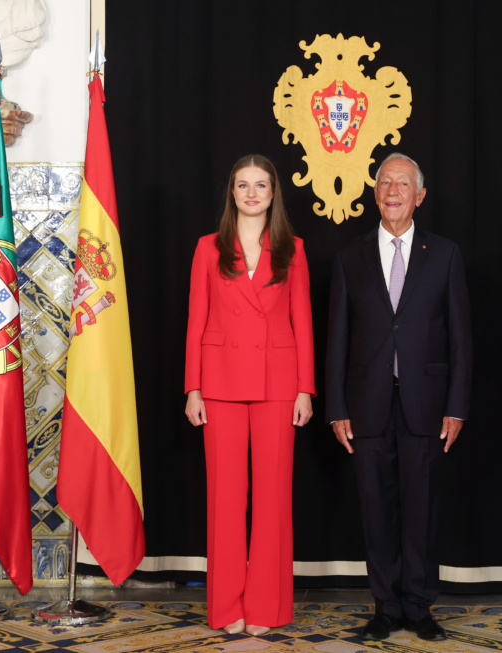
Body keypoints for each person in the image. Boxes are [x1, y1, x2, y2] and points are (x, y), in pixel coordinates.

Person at [326, 153, 472, 642]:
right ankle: (385, 607)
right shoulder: (351, 256)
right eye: (385, 182)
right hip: (365, 404)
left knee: (421, 508)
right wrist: (336, 407)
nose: (392, 191)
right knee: (376, 508)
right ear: (375, 192)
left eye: (403, 184)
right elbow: (337, 338)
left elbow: (459, 337)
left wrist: (457, 405)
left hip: (427, 404)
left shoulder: (445, 253)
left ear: (420, 196)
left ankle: (419, 604)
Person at [185, 154, 315, 635]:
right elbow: (196, 321)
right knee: (224, 499)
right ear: (232, 193)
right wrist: (192, 387)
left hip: (278, 384)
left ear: (274, 192)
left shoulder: (293, 248)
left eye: (261, 185)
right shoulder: (207, 248)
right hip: (218, 384)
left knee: (273, 498)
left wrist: (306, 388)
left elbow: (302, 321)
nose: (253, 193)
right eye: (244, 185)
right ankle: (226, 608)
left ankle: (266, 607)